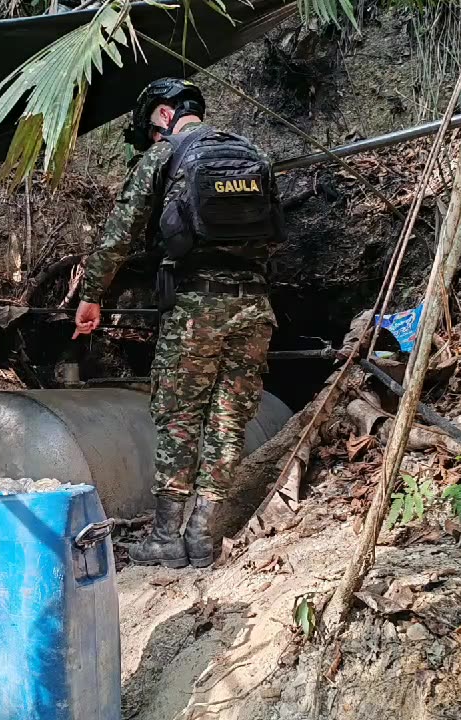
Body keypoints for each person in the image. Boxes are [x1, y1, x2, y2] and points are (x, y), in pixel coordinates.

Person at [72, 78, 284, 569]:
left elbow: (119, 234)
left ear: (164, 114)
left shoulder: (166, 155)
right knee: (229, 420)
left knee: (179, 419)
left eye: (151, 128)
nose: (152, 137)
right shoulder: (252, 155)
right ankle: (203, 536)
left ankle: (166, 537)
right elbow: (273, 237)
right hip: (254, 310)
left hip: (195, 310)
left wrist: (92, 297)